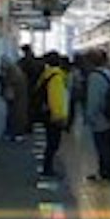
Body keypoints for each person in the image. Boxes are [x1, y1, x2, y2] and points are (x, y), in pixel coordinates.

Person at [76, 47, 110, 181]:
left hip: (100, 118)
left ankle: (105, 173)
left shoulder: (95, 76)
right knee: (109, 145)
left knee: (102, 146)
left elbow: (94, 99)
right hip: (108, 115)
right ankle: (109, 172)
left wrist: (88, 117)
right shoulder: (108, 73)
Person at [33, 44, 71, 177]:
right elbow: (56, 98)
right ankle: (47, 169)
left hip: (47, 114)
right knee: (53, 144)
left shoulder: (46, 75)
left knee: (51, 143)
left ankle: (47, 168)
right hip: (53, 116)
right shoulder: (56, 77)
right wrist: (60, 117)